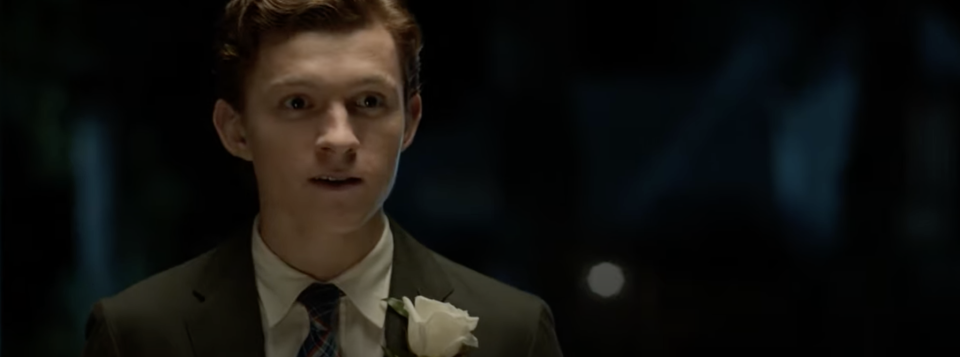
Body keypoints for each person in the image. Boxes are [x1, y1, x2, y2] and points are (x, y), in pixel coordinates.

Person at [80, 0, 563, 356]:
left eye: (369, 102)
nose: (339, 138)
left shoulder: (511, 333)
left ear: (410, 122)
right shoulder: (138, 334)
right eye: (298, 103)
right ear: (236, 129)